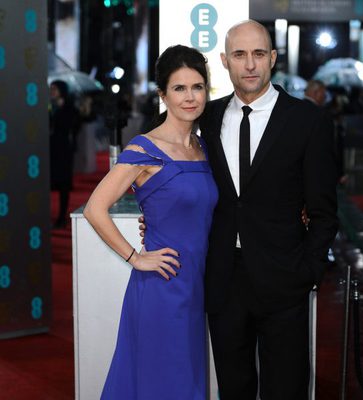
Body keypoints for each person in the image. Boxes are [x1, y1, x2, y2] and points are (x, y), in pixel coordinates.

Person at [198, 20, 338, 399]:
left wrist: (309, 271)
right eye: (240, 55)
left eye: (259, 54)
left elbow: (325, 210)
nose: (250, 65)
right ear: (225, 61)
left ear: (273, 58)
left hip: (285, 278)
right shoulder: (205, 119)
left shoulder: (308, 120)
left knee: (287, 389)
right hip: (224, 280)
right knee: (233, 388)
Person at [83, 45, 218, 400]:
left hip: (198, 286)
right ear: (163, 94)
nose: (190, 97)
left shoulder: (205, 149)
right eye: (179, 88)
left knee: (186, 382)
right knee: (161, 384)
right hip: (162, 287)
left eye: (197, 87)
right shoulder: (145, 149)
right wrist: (135, 257)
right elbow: (96, 208)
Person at [49, 80, 80, 228]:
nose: (52, 92)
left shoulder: (69, 108)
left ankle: (62, 216)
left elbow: (73, 125)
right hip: (50, 148)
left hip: (64, 149)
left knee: (63, 184)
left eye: (55, 89)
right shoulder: (49, 106)